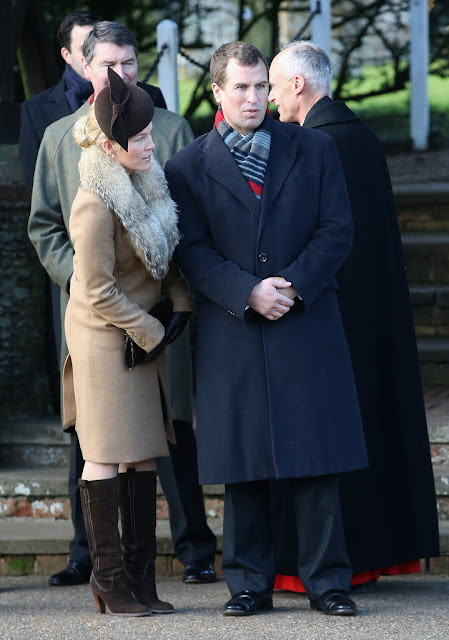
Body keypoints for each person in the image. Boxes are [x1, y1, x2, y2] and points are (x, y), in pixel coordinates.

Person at [165, 41, 368, 618]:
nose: (254, 98)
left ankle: (329, 582)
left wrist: (293, 285)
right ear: (217, 92)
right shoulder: (186, 166)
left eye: (261, 86)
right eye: (241, 88)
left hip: (307, 322)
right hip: (235, 329)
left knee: (317, 460)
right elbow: (192, 251)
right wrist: (245, 292)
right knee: (244, 464)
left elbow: (337, 229)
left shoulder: (316, 148)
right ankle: (248, 584)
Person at [27, 20, 216, 588]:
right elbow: (45, 228)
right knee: (99, 440)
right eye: (108, 63)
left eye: (129, 63)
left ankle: (193, 548)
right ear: (84, 67)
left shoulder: (174, 130)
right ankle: (96, 560)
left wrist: (177, 302)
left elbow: (186, 225)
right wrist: (83, 278)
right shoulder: (61, 136)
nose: (120, 73)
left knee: (170, 431)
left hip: (160, 313)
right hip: (103, 316)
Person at [268, 41, 440, 593]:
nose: (269, 99)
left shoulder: (316, 141)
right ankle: (368, 555)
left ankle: (327, 562)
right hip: (367, 309)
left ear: (299, 85)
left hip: (330, 310)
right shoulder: (360, 135)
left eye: (273, 85)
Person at [65, 67, 192, 616]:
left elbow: (166, 255)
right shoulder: (94, 204)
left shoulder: (147, 178)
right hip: (103, 339)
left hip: (141, 335)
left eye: (149, 135)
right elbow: (94, 290)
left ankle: (141, 581)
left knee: (143, 456)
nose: (150, 144)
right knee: (103, 455)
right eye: (139, 138)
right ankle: (109, 581)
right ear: (112, 144)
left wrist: (180, 302)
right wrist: (154, 329)